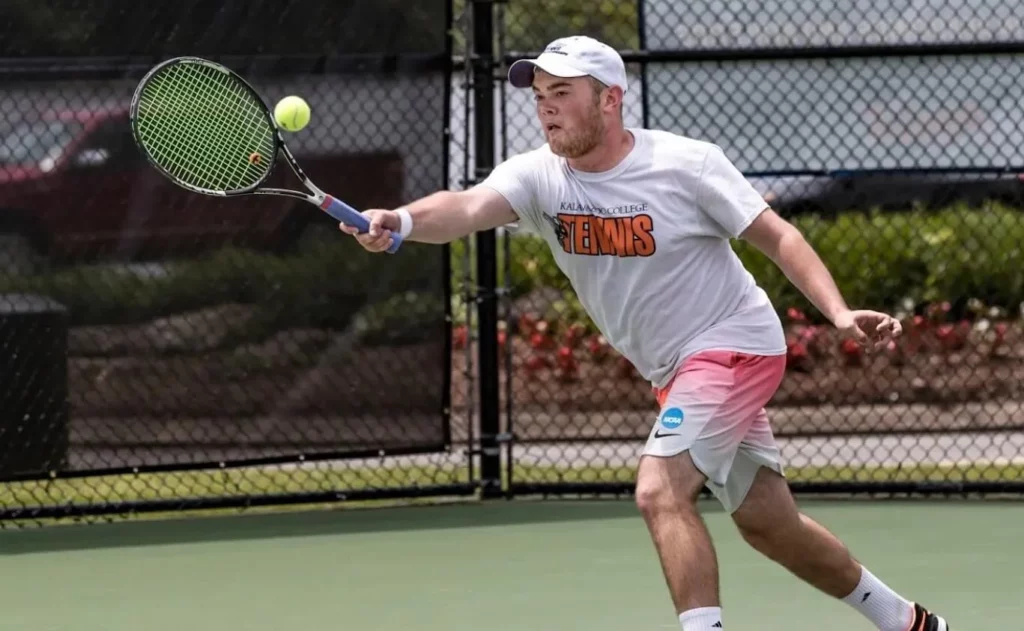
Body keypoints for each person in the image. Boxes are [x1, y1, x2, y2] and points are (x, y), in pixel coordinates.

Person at [339, 35, 950, 631]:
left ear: (610, 99)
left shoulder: (687, 165)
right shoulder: (538, 177)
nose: (545, 106)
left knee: (660, 490)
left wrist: (838, 313)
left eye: (562, 91)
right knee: (770, 525)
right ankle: (909, 622)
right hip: (676, 370)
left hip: (733, 342)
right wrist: (403, 219)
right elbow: (466, 208)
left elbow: (779, 236)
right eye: (539, 94)